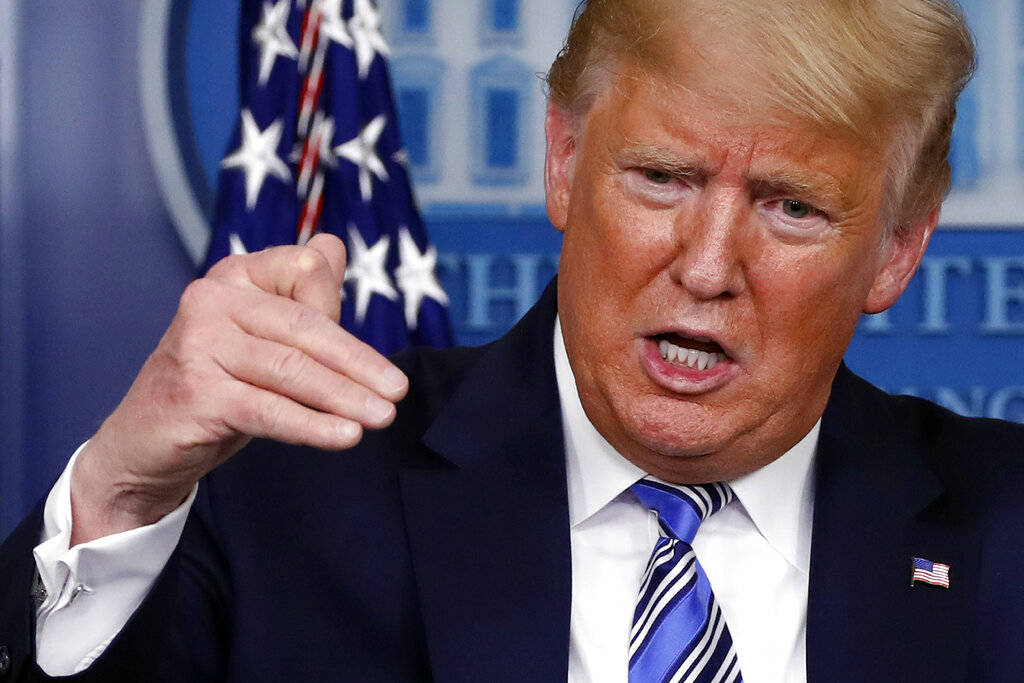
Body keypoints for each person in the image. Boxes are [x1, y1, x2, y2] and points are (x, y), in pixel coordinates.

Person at [1, 0, 1022, 681]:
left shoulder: (1007, 531)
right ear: (563, 158)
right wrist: (123, 496)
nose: (709, 264)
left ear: (895, 248)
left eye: (792, 206)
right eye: (661, 177)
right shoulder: (282, 486)